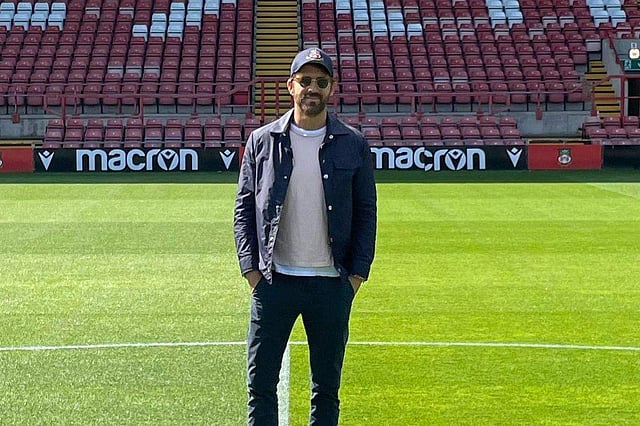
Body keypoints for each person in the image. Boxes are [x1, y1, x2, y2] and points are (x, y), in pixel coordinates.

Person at [233, 47, 377, 425]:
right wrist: (251, 270)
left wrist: (356, 276)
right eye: (305, 80)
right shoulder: (262, 141)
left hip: (331, 284)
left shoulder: (353, 143)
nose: (313, 88)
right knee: (260, 386)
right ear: (291, 86)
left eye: (321, 81)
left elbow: (366, 212)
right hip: (273, 282)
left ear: (332, 88)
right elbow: (243, 210)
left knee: (326, 390)